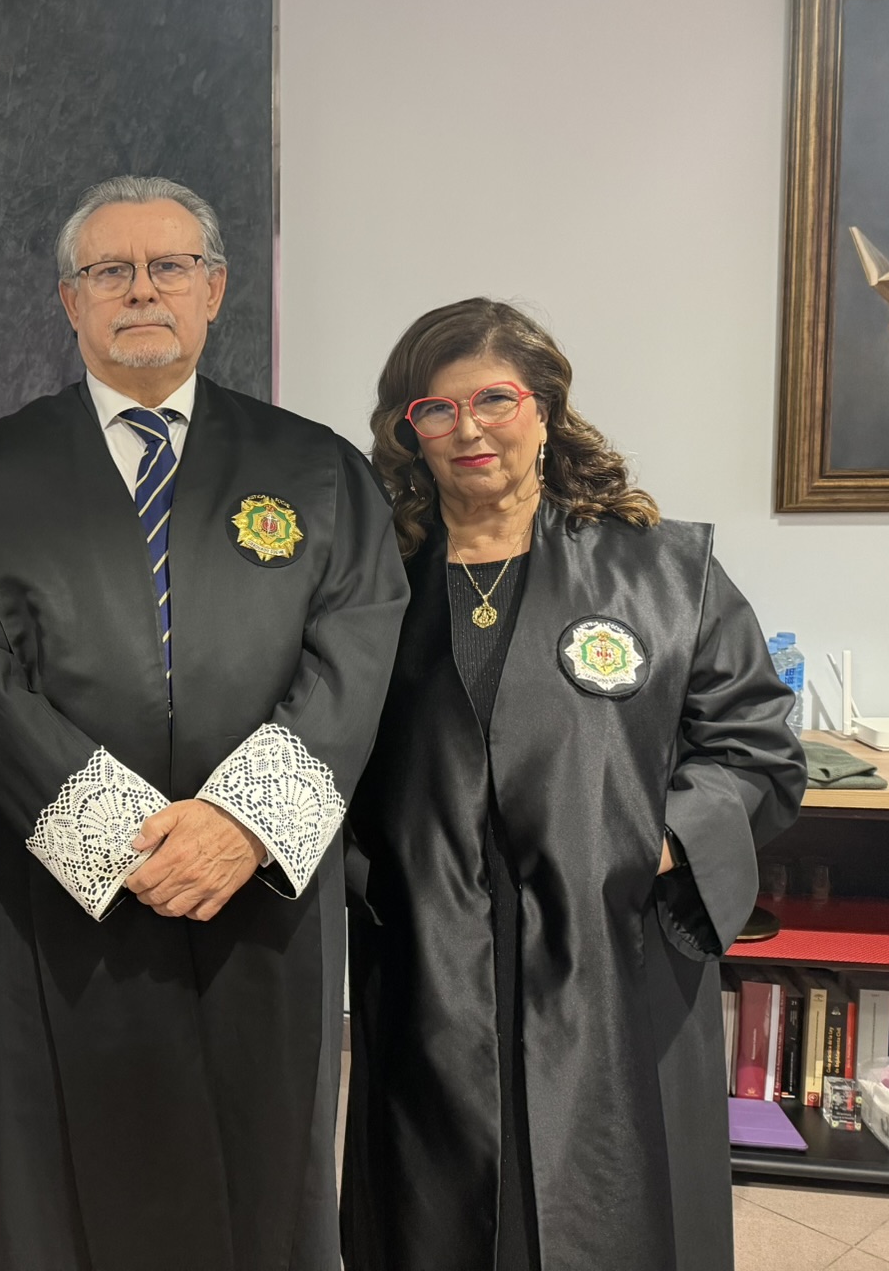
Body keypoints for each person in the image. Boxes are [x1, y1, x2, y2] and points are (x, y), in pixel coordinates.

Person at [0, 175, 408, 1271]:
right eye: (110, 271)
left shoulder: (317, 469)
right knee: (66, 1172)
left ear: (213, 289)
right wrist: (125, 841)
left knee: (263, 1163)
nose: (141, 290)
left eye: (168, 266)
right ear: (70, 301)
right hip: (66, 890)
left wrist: (242, 825)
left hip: (258, 884)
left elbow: (356, 647)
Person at [340, 298, 806, 1271]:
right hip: (426, 955)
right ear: (408, 431)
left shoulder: (661, 572)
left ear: (545, 410)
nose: (468, 429)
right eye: (436, 409)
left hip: (609, 949)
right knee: (433, 1213)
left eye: (494, 400)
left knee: (605, 1208)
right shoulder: (372, 582)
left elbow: (755, 748)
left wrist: (654, 842)